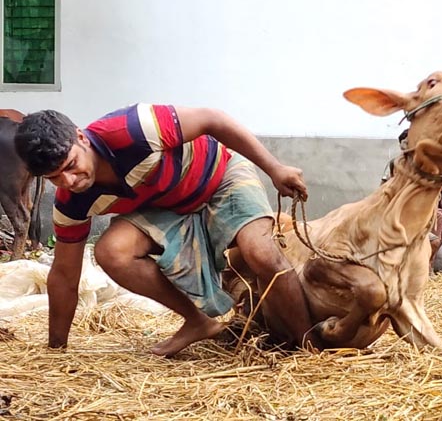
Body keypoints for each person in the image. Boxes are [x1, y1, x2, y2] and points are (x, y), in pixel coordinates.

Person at [14, 104, 319, 357]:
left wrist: (275, 168)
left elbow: (213, 119)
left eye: (71, 165)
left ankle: (310, 348)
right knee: (110, 252)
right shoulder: (71, 203)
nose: (69, 181)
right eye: (55, 178)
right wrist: (56, 351)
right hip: (167, 208)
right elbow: (65, 274)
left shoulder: (133, 129)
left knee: (261, 253)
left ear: (81, 137)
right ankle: (199, 321)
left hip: (219, 176)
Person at [382, 129, 442, 269]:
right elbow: (385, 186)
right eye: (405, 144)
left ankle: (429, 262)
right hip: (404, 209)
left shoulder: (425, 164)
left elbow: (434, 190)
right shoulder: (395, 164)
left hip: (423, 208)